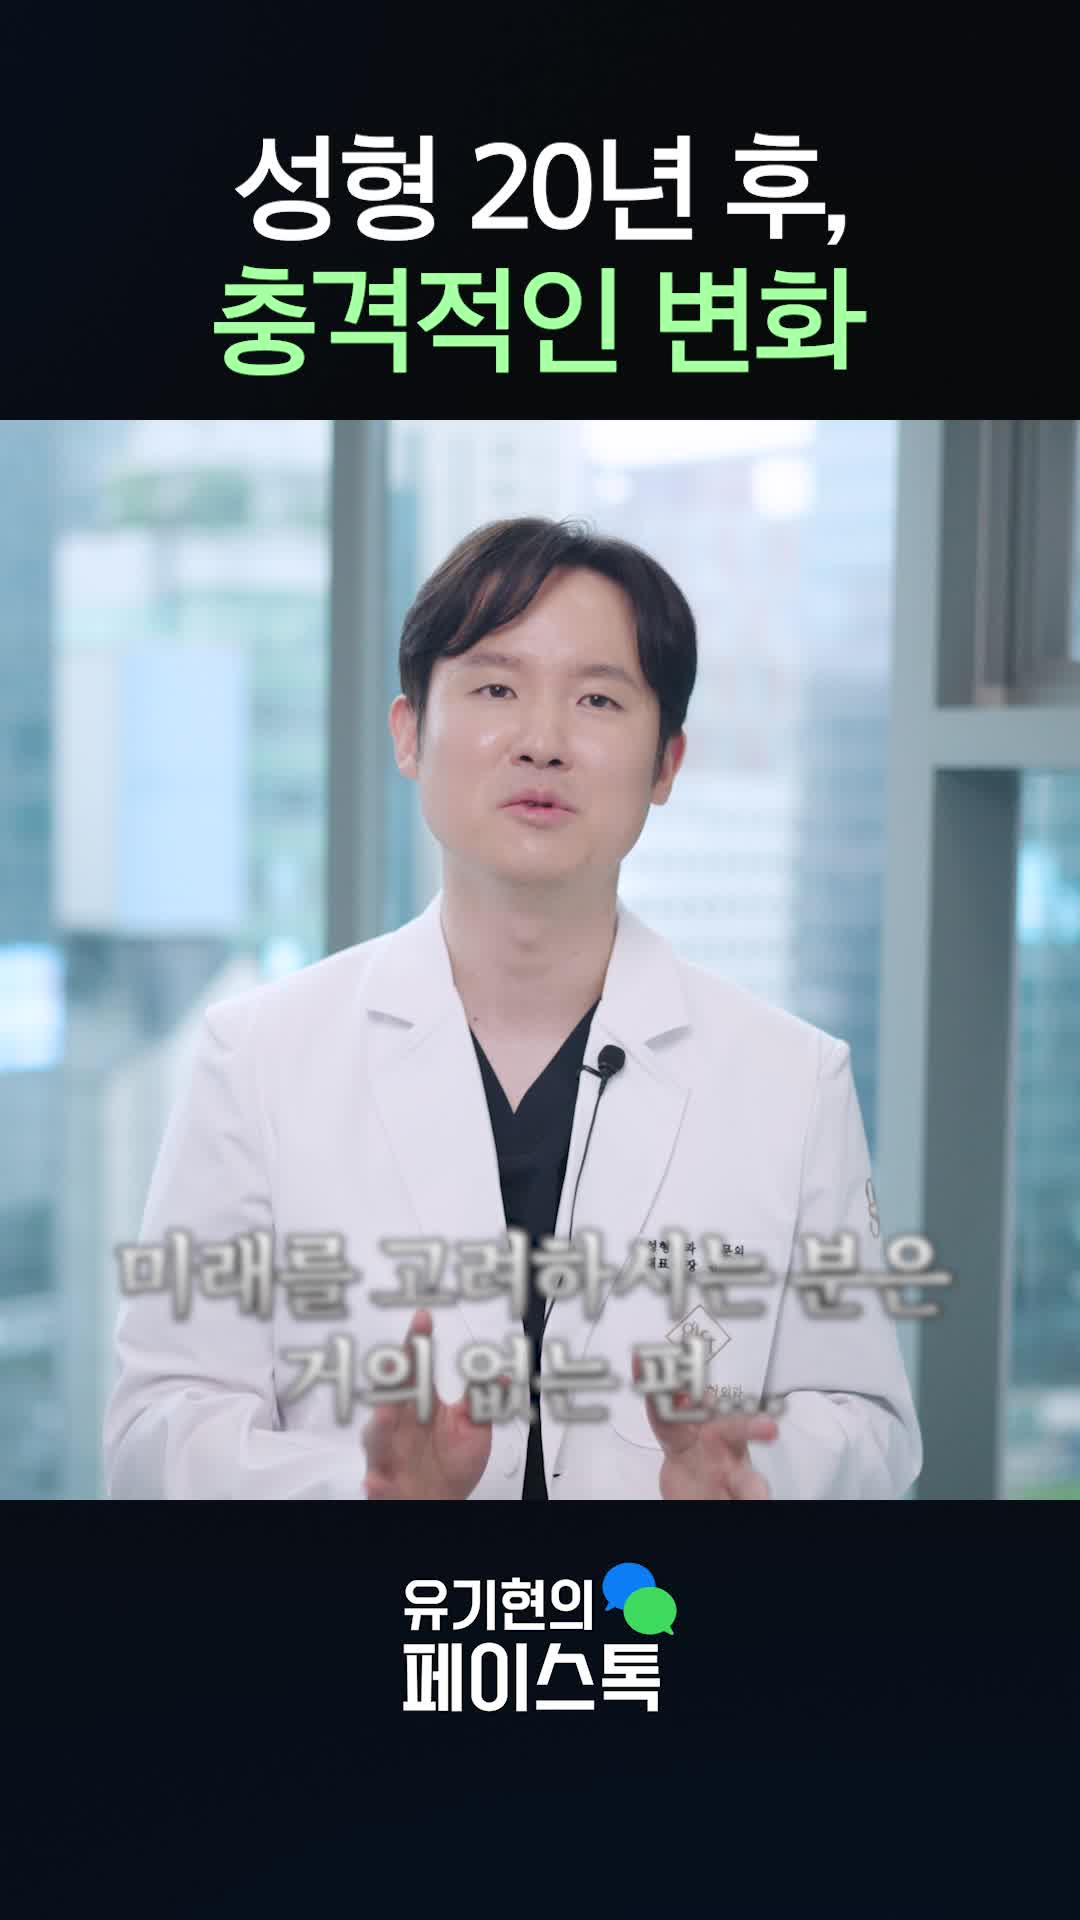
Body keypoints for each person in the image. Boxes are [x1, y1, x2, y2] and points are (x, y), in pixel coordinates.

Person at [103, 515, 922, 1500]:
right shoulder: (257, 1059)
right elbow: (159, 1426)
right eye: (495, 689)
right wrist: (363, 1491)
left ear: (667, 763)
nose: (543, 742)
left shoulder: (793, 1082)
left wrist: (752, 1475)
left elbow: (868, 1424)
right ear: (409, 733)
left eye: (597, 699)